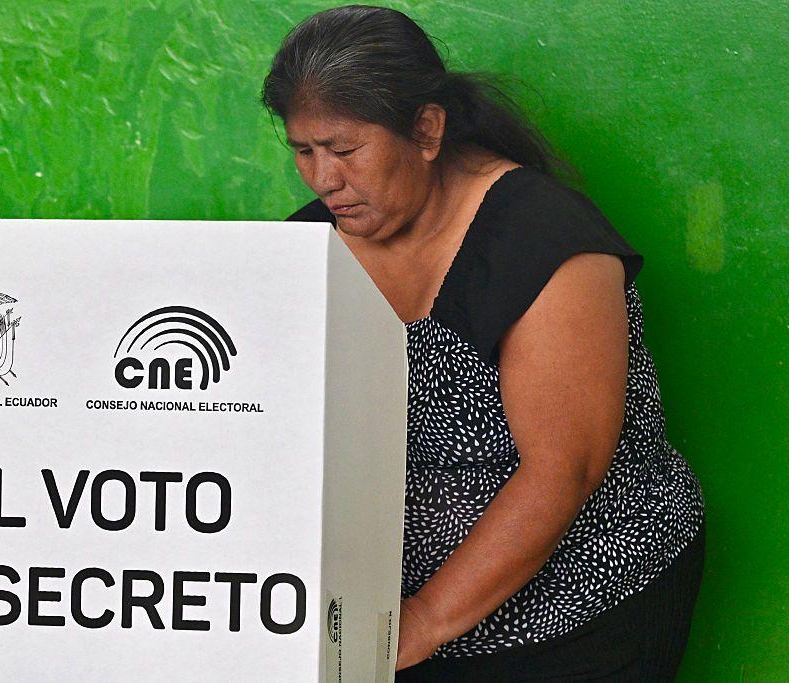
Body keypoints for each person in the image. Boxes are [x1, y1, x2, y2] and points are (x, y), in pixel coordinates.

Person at [262, 5, 706, 681]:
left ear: (427, 129)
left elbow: (566, 468)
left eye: (346, 150)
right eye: (303, 151)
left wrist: (420, 621)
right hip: (387, 615)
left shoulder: (544, 242)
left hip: (584, 600)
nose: (324, 179)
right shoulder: (307, 246)